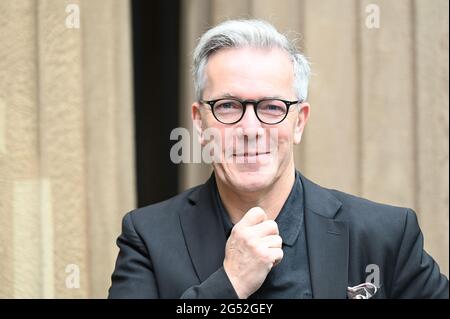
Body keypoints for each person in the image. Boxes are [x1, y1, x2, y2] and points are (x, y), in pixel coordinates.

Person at [108, 19, 448, 299]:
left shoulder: (384, 235)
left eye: (271, 107)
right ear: (199, 123)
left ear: (299, 121)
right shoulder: (148, 238)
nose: (251, 129)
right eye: (228, 106)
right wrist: (229, 283)